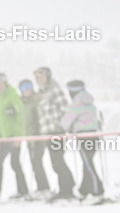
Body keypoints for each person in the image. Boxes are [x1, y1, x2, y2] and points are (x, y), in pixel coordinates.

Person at [34, 66, 76, 202]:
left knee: (57, 161)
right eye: (37, 78)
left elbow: (65, 109)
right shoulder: (43, 93)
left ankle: (67, 189)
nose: (39, 80)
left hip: (56, 132)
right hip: (48, 132)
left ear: (48, 77)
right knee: (56, 162)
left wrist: (62, 127)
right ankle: (66, 187)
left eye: (41, 77)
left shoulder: (54, 90)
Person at [62, 79, 105, 203]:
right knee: (87, 163)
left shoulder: (76, 103)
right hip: (94, 136)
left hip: (83, 137)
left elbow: (66, 122)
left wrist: (66, 127)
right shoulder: (89, 102)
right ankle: (84, 190)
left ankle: (98, 190)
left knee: (88, 164)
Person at [18, 79, 51, 198]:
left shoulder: (36, 100)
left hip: (38, 136)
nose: (26, 90)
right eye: (23, 88)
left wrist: (37, 132)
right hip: (29, 137)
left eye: (29, 86)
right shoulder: (22, 103)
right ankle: (41, 187)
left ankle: (44, 187)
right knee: (34, 162)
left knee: (37, 161)